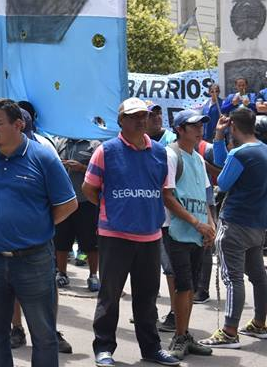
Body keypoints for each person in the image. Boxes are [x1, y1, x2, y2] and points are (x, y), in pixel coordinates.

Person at [0, 98, 77, 367]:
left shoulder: (42, 157)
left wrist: (39, 226)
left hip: (33, 260)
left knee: (44, 335)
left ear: (18, 125)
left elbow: (69, 204)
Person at [83, 97, 180, 367]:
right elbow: (89, 189)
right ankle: (104, 348)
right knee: (109, 297)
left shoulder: (161, 153)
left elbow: (165, 192)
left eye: (143, 116)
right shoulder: (107, 150)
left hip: (150, 235)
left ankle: (151, 349)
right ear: (121, 121)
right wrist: (112, 209)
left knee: (147, 298)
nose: (140, 120)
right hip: (115, 236)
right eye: (134, 116)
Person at [199, 107, 267, 348]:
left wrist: (219, 140)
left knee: (233, 278)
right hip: (258, 224)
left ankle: (229, 331)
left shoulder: (240, 153)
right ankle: (260, 323)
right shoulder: (263, 150)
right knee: (258, 276)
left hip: (236, 223)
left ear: (233, 127)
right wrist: (218, 138)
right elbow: (224, 163)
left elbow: (224, 181)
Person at [162, 109, 216, 358]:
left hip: (198, 231)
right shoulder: (171, 154)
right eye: (193, 126)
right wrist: (198, 223)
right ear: (180, 129)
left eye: (201, 125)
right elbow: (168, 197)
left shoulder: (197, 157)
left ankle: (184, 334)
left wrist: (211, 224)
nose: (199, 129)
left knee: (191, 286)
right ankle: (179, 337)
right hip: (177, 231)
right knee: (183, 285)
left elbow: (205, 195)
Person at [54, 137, 101, 292]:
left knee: (90, 242)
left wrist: (82, 168)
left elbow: (100, 172)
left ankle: (93, 275)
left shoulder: (94, 145)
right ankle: (62, 273)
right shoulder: (60, 143)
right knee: (61, 240)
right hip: (64, 201)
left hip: (85, 202)